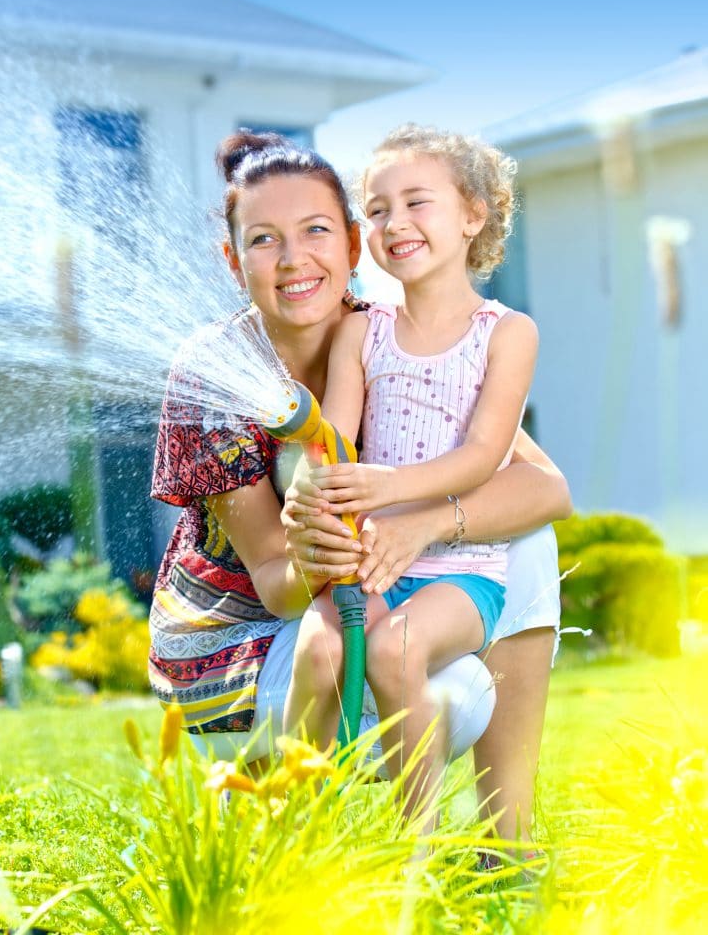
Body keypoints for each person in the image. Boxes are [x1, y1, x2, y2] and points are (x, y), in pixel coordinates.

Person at [148, 130, 570, 840]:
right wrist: (324, 535)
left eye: (315, 231)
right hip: (238, 657)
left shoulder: (388, 337)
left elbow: (541, 487)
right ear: (232, 260)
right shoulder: (213, 375)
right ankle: (294, 843)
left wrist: (424, 523)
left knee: (523, 537)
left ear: (350, 242)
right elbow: (281, 586)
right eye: (262, 240)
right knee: (425, 678)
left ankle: (507, 844)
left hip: (369, 604)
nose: (292, 260)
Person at [282, 124, 565, 843]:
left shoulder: (506, 334)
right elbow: (335, 443)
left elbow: (482, 456)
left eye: (417, 203)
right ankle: (293, 835)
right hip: (371, 561)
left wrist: (387, 486)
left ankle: (417, 850)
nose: (394, 223)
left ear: (473, 214)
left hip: (461, 574)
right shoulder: (362, 331)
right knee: (319, 652)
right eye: (376, 211)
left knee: (394, 652)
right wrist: (317, 484)